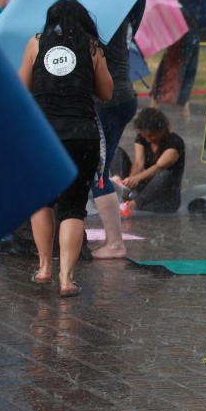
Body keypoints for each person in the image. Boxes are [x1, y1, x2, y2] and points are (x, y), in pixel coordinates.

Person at [18, 0, 114, 297]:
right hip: (81, 135)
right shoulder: (92, 47)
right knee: (73, 207)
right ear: (84, 20)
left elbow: (22, 87)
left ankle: (45, 267)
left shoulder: (36, 42)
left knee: (42, 201)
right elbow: (107, 92)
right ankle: (66, 278)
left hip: (43, 134)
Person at [90, 17, 138, 259]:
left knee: (98, 173)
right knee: (100, 168)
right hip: (124, 95)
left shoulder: (99, 19)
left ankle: (115, 244)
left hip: (106, 100)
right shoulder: (121, 14)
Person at [117, 108, 185, 216]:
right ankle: (122, 192)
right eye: (145, 135)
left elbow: (159, 167)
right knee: (117, 152)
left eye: (151, 135)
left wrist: (137, 178)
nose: (148, 140)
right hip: (142, 189)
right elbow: (139, 164)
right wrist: (129, 181)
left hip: (164, 199)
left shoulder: (175, 142)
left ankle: (134, 204)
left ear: (162, 130)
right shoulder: (142, 138)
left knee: (165, 173)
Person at [149, 7, 200, 119]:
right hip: (194, 37)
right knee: (188, 73)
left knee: (167, 71)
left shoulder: (169, 13)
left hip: (182, 40)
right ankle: (185, 108)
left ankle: (154, 104)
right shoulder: (179, 9)